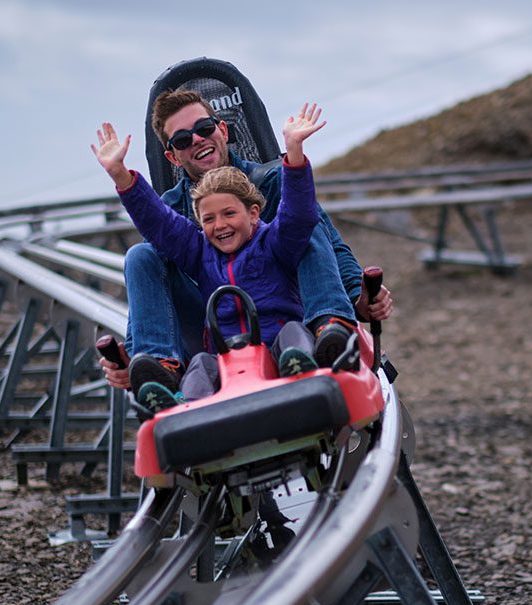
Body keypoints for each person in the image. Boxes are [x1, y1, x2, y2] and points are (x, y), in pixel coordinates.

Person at [99, 88, 392, 392]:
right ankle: (161, 370)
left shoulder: (274, 185)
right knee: (142, 254)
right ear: (172, 155)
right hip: (213, 332)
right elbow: (154, 234)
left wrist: (359, 293)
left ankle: (330, 327)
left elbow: (316, 232)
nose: (197, 139)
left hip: (285, 316)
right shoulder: (177, 218)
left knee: (303, 225)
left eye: (203, 128)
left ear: (222, 130)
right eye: (183, 139)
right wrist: (132, 355)